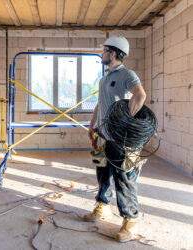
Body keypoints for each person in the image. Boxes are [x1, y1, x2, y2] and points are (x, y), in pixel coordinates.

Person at [84, 36, 146, 243]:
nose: (101, 54)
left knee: (124, 179)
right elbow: (100, 104)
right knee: (102, 173)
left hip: (121, 139)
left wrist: (125, 122)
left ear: (112, 53)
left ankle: (130, 221)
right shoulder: (104, 78)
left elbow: (140, 96)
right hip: (102, 136)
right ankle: (102, 207)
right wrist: (92, 125)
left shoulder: (128, 74)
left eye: (104, 51)